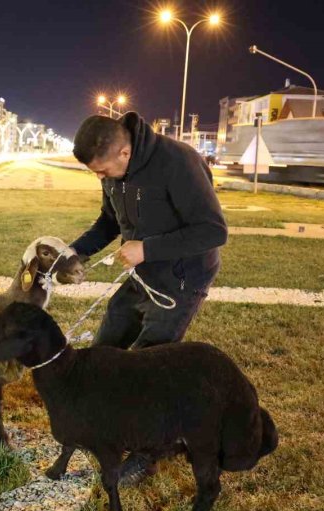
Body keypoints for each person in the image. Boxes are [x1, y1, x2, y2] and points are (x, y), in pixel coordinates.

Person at [69, 112, 228, 484]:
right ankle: (99, 427)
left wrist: (148, 249)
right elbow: (109, 222)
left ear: (124, 152)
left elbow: (213, 231)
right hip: (141, 276)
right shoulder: (114, 172)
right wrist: (74, 252)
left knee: (148, 369)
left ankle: (148, 453)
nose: (101, 178)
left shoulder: (179, 161)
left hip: (180, 279)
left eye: (103, 171)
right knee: (104, 349)